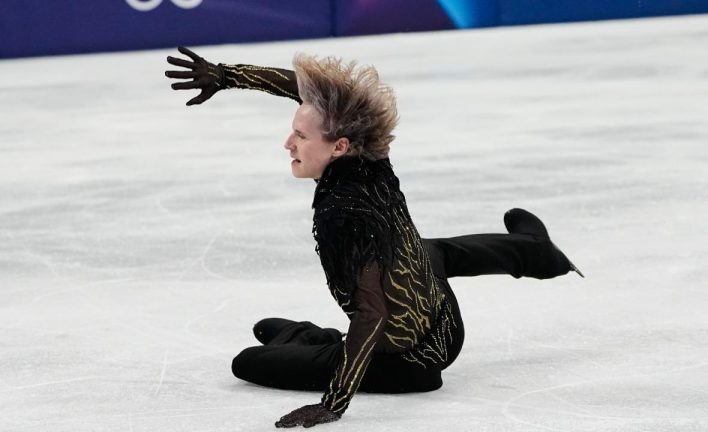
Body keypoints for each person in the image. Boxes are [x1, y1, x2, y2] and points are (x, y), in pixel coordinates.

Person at [165, 47, 583, 428]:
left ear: (339, 147)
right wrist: (228, 76)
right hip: (445, 324)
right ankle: (537, 251)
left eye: (301, 137)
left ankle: (313, 339)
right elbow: (310, 95)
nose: (288, 143)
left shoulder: (342, 217)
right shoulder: (369, 151)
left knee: (250, 361)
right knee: (427, 251)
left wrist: (334, 403)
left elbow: (372, 314)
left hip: (406, 363)